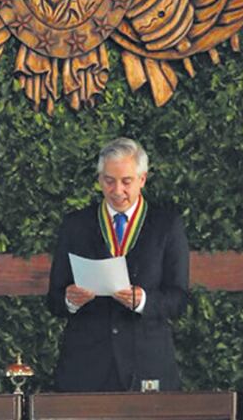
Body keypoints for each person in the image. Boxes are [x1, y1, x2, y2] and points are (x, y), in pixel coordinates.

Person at [47, 137, 190, 391]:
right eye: (109, 181)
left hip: (147, 361)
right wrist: (70, 299)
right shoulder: (76, 225)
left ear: (142, 179)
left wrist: (144, 300)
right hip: (86, 364)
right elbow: (54, 299)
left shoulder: (166, 225)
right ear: (99, 179)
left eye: (126, 182)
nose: (117, 190)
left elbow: (179, 299)